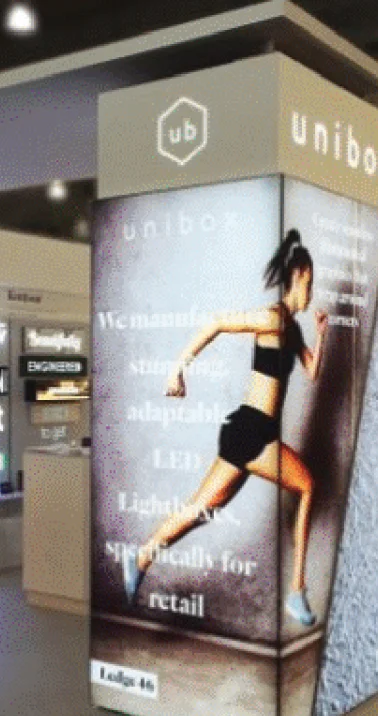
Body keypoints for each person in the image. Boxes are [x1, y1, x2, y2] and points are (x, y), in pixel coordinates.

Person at [122, 229, 329, 626]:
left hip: (252, 433)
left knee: (201, 509)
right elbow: (217, 322)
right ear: (299, 275)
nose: (311, 293)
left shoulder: (292, 327)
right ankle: (296, 592)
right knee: (307, 486)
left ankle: (141, 557)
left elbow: (313, 371)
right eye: (310, 283)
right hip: (252, 430)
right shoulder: (271, 318)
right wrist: (177, 369)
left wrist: (321, 335)